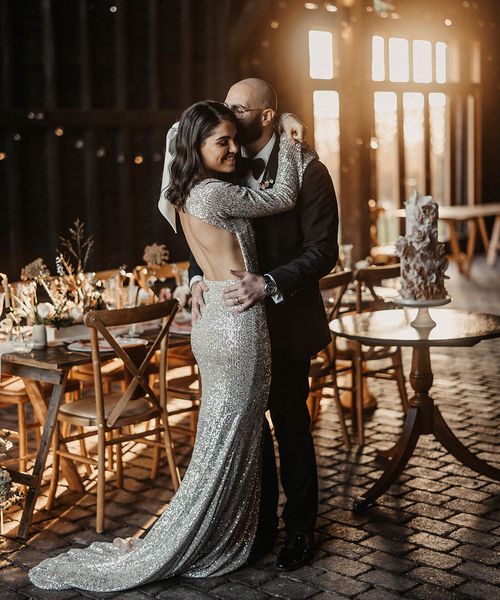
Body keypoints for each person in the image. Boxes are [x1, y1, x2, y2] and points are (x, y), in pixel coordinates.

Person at [28, 101, 316, 592]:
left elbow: (209, 253)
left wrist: (198, 278)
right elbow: (286, 195)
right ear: (196, 147)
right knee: (230, 438)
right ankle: (207, 535)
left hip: (213, 325)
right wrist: (291, 137)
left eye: (233, 138)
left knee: (225, 437)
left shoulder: (181, 194)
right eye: (221, 141)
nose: (233, 148)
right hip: (237, 326)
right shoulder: (215, 194)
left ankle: (237, 531)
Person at [190, 78, 339, 571]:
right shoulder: (225, 162)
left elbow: (323, 253)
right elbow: (211, 229)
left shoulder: (310, 170)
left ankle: (300, 530)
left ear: (267, 116)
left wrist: (268, 281)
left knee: (291, 428)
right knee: (250, 434)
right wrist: (196, 277)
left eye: (238, 107)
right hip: (237, 326)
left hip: (287, 320)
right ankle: (260, 529)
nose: (227, 114)